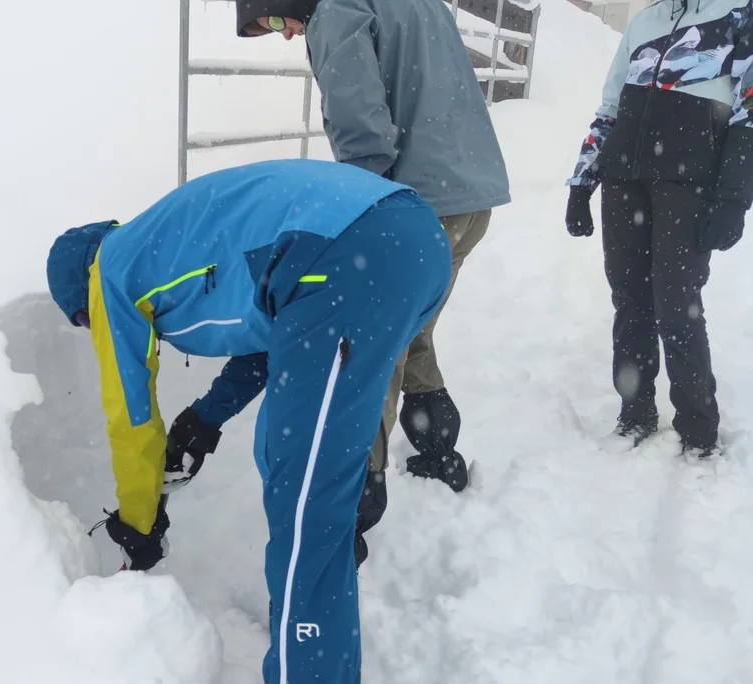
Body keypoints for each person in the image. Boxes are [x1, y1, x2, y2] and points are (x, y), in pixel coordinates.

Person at [46, 158, 451, 684]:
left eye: (84, 321)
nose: (93, 327)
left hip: (347, 256)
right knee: (300, 475)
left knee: (304, 499)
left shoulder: (112, 275)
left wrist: (139, 522)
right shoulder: (166, 238)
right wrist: (206, 418)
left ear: (84, 293)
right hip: (411, 238)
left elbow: (131, 418)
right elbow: (279, 322)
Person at [235, 0, 511, 564]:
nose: (284, 35)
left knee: (365, 355)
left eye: (271, 20)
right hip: (468, 197)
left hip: (417, 204)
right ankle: (437, 450)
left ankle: (347, 518)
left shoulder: (335, 11)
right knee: (413, 331)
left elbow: (362, 127)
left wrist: (355, 217)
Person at [564, 0, 752, 458]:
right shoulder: (645, 20)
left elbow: (748, 114)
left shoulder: (739, 14)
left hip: (689, 183)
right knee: (629, 298)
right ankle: (635, 411)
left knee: (676, 301)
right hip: (624, 179)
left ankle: (698, 425)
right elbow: (611, 106)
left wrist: (733, 199)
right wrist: (583, 179)